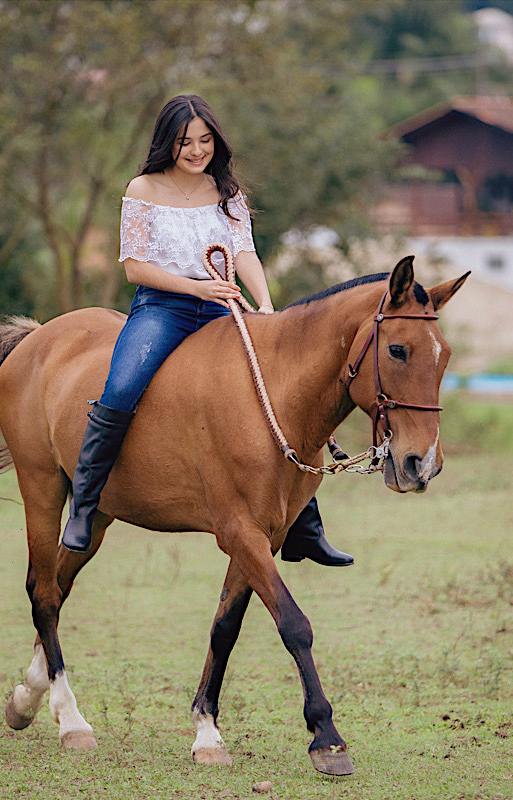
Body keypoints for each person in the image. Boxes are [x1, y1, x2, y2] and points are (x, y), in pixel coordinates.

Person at [61, 94, 353, 568]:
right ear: (167, 144)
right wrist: (198, 291)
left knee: (272, 390)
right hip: (164, 307)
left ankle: (304, 527)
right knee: (121, 388)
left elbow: (244, 255)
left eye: (205, 140)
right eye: (185, 142)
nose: (197, 151)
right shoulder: (142, 189)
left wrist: (264, 303)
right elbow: (135, 269)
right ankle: (84, 506)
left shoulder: (228, 192)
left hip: (223, 305)